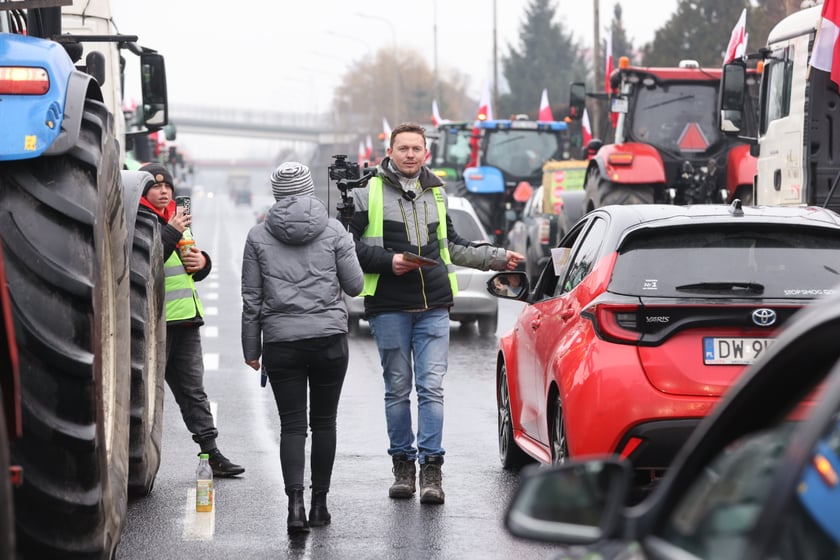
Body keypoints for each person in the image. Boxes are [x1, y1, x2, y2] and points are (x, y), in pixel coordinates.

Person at [348, 123, 524, 505]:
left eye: (417, 148)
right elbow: (347, 248)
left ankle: (431, 470)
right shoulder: (368, 192)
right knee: (397, 390)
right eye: (403, 148)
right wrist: (388, 260)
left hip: (434, 306)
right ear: (390, 152)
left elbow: (453, 247)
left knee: (431, 389)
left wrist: (496, 257)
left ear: (426, 153)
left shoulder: (437, 192)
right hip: (389, 306)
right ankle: (402, 467)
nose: (410, 154)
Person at [241, 162, 363, 534]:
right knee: (324, 422)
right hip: (328, 340)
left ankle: (294, 505)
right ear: (310, 189)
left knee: (292, 426)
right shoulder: (334, 230)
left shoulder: (258, 235)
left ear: (276, 193)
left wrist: (251, 348)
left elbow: (252, 298)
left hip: (281, 342)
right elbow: (355, 286)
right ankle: (320, 505)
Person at [138, 162, 244, 478]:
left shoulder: (178, 220)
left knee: (194, 393)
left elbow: (188, 268)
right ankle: (135, 459)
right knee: (142, 398)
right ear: (143, 191)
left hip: (184, 321)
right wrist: (172, 230)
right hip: (152, 326)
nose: (163, 191)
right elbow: (147, 260)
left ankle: (212, 454)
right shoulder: (138, 220)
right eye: (155, 186)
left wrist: (202, 263)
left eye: (167, 185)